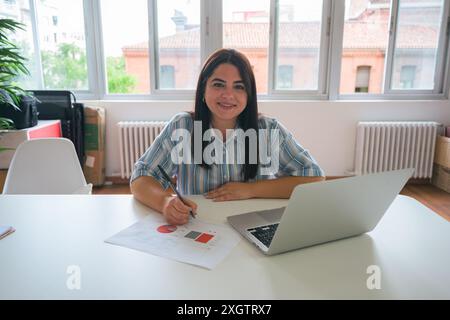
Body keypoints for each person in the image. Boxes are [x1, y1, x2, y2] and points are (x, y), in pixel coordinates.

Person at [130, 48, 325, 225]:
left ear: (249, 94)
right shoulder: (182, 127)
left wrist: (251, 190)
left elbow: (314, 179)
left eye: (239, 87)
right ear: (204, 89)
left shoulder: (268, 130)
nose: (228, 95)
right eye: (219, 84)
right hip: (196, 227)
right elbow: (140, 177)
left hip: (253, 226)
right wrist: (165, 202)